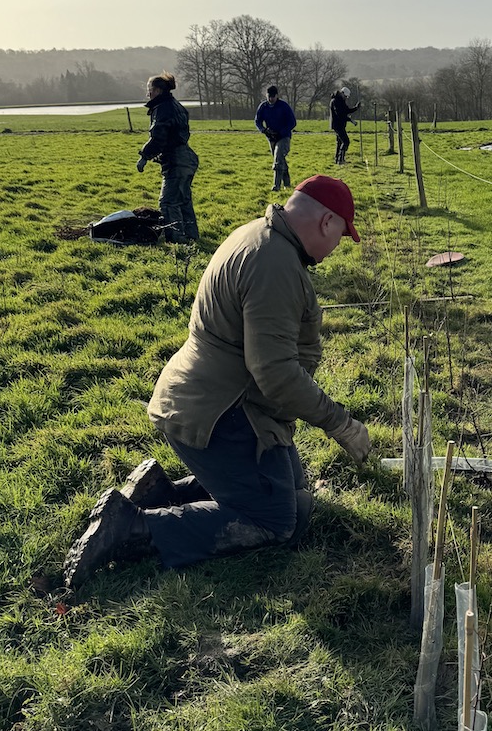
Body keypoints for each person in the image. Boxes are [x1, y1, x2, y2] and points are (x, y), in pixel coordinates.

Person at [63, 175, 371, 589]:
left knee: (295, 493)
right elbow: (276, 373)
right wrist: (340, 423)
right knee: (278, 521)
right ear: (326, 221)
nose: (336, 249)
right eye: (341, 235)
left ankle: (160, 493)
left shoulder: (261, 236)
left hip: (212, 399)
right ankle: (130, 528)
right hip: (221, 410)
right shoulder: (274, 263)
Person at [137, 72, 199, 243]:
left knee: (168, 202)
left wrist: (144, 156)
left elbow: (159, 136)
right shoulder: (176, 105)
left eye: (149, 89)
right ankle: (191, 235)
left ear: (157, 90)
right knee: (184, 200)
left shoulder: (163, 108)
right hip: (186, 158)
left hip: (177, 161)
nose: (147, 93)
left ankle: (176, 240)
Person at [255, 85, 297, 191]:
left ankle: (276, 186)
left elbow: (292, 122)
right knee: (280, 160)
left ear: (277, 96)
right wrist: (264, 130)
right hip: (271, 138)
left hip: (284, 137)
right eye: (269, 96)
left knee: (278, 158)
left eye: (273, 97)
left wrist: (282, 132)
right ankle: (287, 184)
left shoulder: (283, 106)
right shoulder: (263, 107)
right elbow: (257, 121)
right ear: (266, 95)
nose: (271, 99)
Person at [330, 86, 361, 165]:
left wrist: (356, 108)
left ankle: (338, 159)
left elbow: (346, 111)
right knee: (346, 141)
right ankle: (341, 160)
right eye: (346, 96)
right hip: (338, 125)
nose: (346, 98)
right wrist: (350, 119)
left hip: (340, 124)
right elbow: (341, 114)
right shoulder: (336, 101)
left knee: (340, 142)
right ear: (342, 93)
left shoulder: (340, 101)